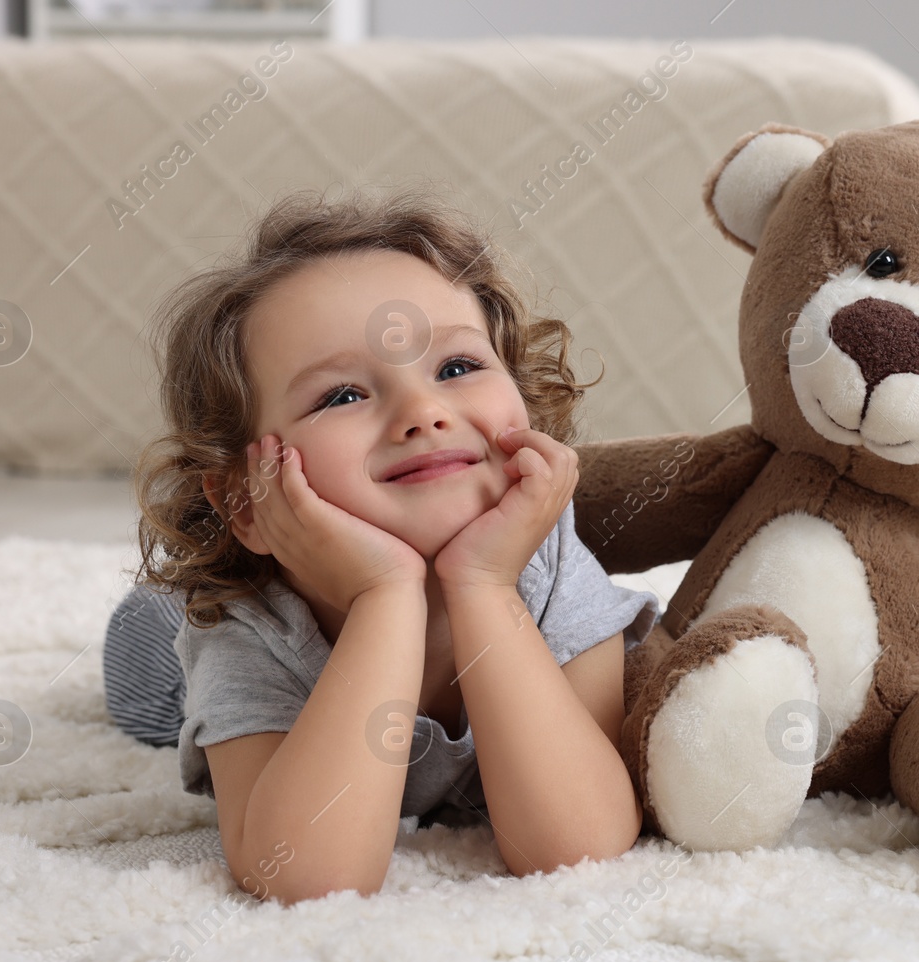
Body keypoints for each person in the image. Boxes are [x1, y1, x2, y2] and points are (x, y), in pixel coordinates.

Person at [105, 185, 658, 902]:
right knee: (145, 648)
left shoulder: (549, 567)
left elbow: (577, 842)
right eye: (341, 395)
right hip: (163, 650)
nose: (423, 412)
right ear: (245, 497)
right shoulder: (246, 620)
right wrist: (383, 594)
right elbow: (305, 875)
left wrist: (484, 583)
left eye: (457, 368)